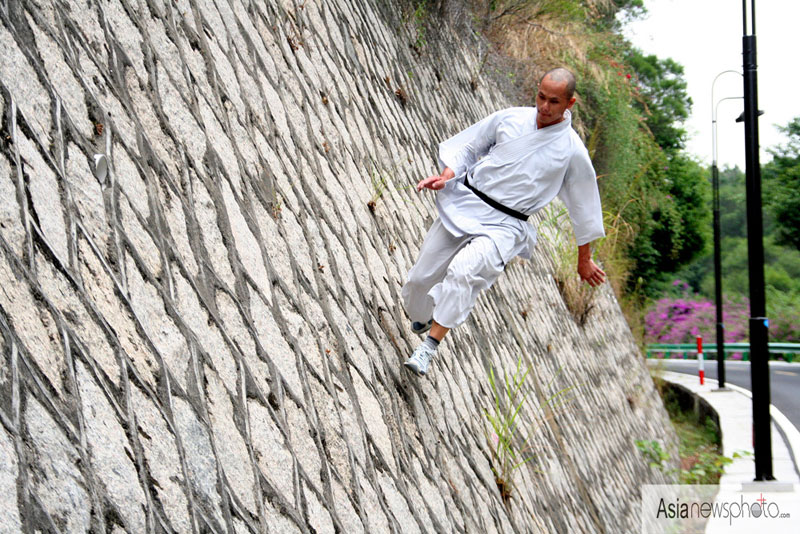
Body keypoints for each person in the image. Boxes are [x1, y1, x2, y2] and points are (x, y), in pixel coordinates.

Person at [401, 67, 607, 377]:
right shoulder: (510, 117)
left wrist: (585, 259)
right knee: (418, 283)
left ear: (570, 104)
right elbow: (470, 148)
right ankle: (425, 315)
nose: (544, 107)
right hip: (467, 202)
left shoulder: (572, 153)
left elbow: (584, 207)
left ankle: (428, 347)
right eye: (540, 96)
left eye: (554, 101)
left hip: (506, 225)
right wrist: (447, 176)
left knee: (464, 272)